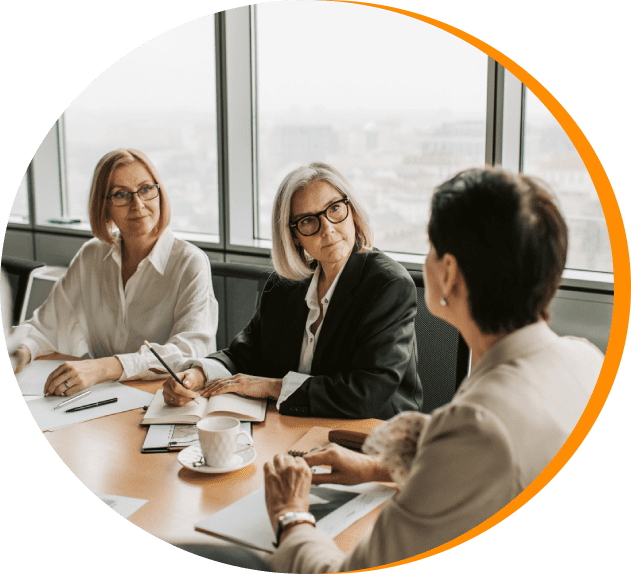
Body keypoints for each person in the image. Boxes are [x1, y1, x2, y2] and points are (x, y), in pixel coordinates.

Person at [262, 168, 604, 573]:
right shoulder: (586, 359)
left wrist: (290, 515)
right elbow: (493, 472)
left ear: (449, 273)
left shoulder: (478, 423)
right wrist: (376, 468)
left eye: (430, 247)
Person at [162, 162, 423, 419]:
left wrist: (271, 387)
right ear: (294, 236)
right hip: (292, 426)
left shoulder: (388, 285)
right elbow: (246, 354)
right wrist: (198, 375)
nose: (328, 229)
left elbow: (367, 393)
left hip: (370, 434)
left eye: (334, 209)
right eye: (309, 221)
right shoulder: (284, 286)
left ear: (351, 210)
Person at [12, 149, 218, 396]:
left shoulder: (190, 262)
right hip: (104, 399)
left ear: (159, 193)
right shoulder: (92, 256)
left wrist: (107, 367)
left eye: (145, 189)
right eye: (121, 194)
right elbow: (46, 326)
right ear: (104, 207)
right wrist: (20, 350)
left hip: (163, 400)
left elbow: (191, 351)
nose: (138, 205)